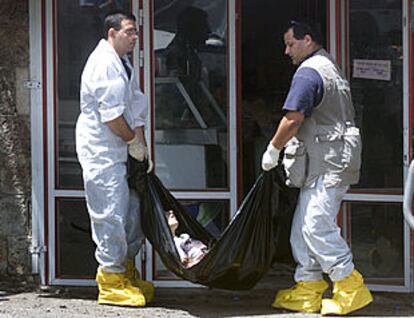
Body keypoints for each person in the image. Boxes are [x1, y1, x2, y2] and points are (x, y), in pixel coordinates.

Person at [261, 20, 373, 315]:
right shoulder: (328, 66)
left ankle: (350, 285)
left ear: (307, 40)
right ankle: (308, 287)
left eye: (290, 43)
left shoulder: (309, 72)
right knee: (302, 228)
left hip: (329, 161)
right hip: (325, 159)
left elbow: (293, 118)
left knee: (315, 225)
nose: (286, 51)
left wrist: (274, 148)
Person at [75, 12, 154, 307]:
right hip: (103, 151)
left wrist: (141, 144)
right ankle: (110, 280)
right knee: (110, 214)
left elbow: (135, 103)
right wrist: (132, 141)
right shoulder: (103, 64)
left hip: (120, 149)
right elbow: (111, 116)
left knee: (131, 211)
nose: (135, 38)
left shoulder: (123, 62)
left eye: (136, 32)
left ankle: (126, 271)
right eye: (130, 32)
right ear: (112, 32)